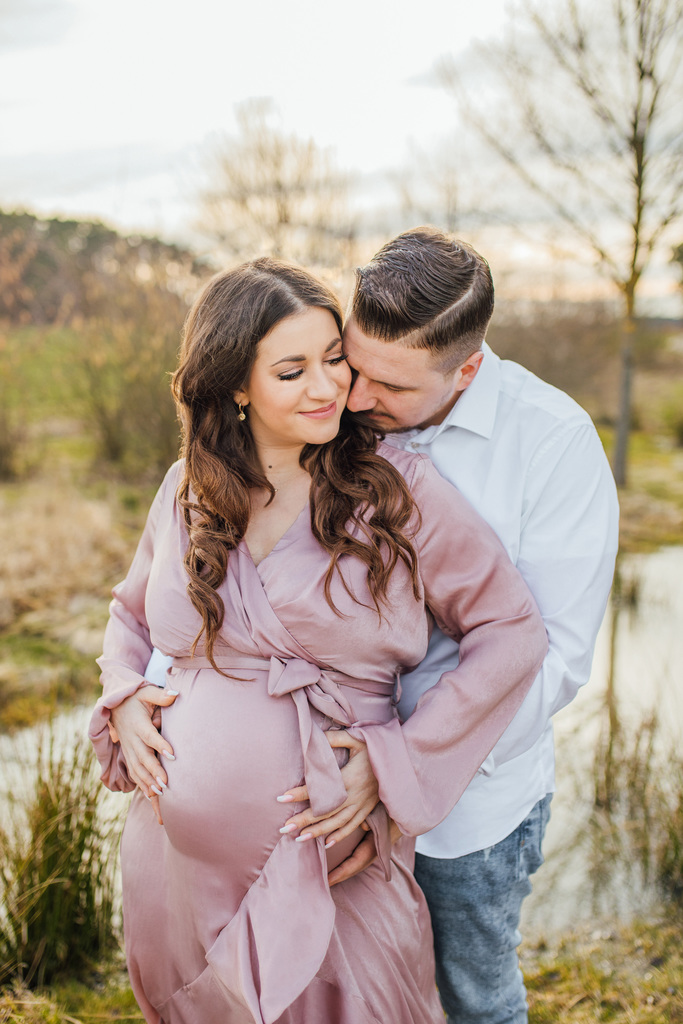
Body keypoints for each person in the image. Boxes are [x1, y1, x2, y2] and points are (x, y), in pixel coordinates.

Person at [89, 257, 547, 1024]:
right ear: (236, 384)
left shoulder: (395, 492)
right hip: (177, 869)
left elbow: (511, 631)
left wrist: (397, 760)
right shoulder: (186, 489)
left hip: (332, 856)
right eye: (293, 369)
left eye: (334, 358)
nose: (329, 386)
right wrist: (124, 697)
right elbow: (131, 617)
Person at [284, 227, 618, 1024]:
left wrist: (397, 774)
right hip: (325, 790)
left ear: (467, 368)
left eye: (390, 387)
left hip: (470, 812)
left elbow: (553, 662)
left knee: (471, 998)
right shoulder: (339, 415)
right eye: (352, 366)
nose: (356, 400)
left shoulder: (554, 444)